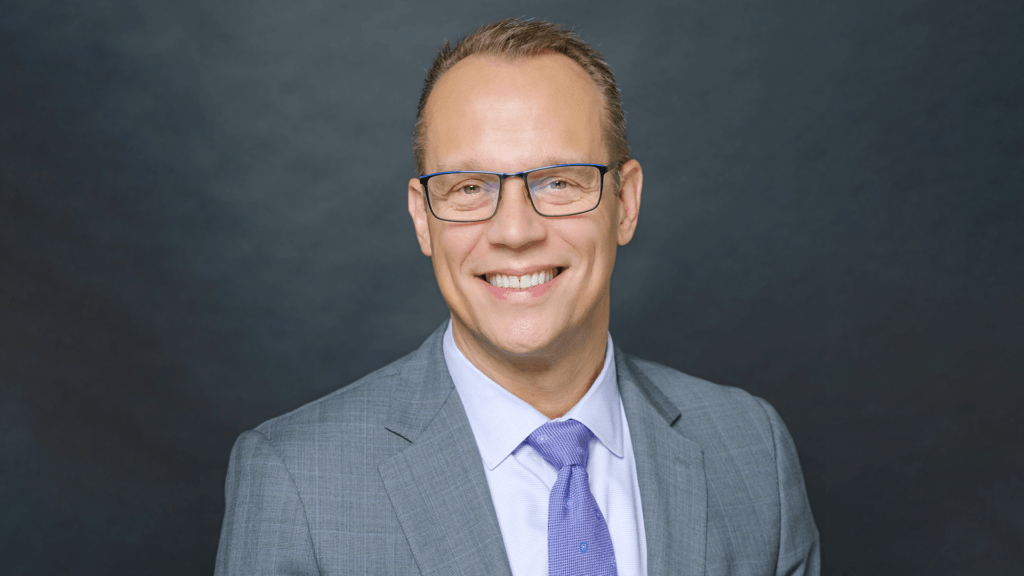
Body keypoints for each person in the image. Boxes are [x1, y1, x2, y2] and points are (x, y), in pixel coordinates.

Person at [215, 18, 819, 576]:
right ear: (423, 219)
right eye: (468, 187)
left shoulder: (750, 448)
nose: (515, 231)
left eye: (558, 182)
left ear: (625, 204)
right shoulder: (295, 480)